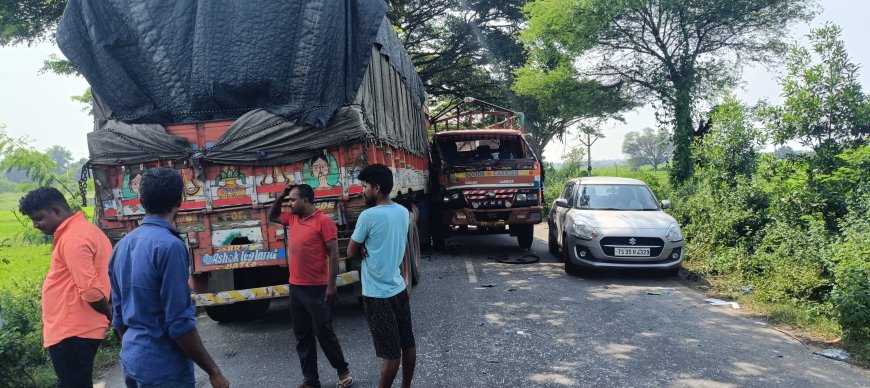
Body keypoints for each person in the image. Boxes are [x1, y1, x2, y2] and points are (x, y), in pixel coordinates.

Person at [109, 168, 229, 388]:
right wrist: (214, 372)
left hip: (132, 360)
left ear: (141, 199)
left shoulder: (122, 246)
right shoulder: (170, 246)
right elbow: (179, 323)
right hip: (163, 369)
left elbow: (118, 316)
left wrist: (135, 349)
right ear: (180, 200)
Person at [18, 187, 113, 388]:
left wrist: (111, 314)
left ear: (57, 211)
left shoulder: (73, 238)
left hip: (73, 332)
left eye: (39, 218)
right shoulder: (86, 231)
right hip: (76, 330)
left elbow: (91, 290)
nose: (35, 225)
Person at [267, 183, 354, 388]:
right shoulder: (293, 218)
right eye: (289, 201)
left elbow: (334, 254)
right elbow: (272, 216)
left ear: (306, 200)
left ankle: (343, 371)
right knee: (302, 335)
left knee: (324, 332)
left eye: (293, 200)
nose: (290, 204)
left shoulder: (323, 221)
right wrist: (281, 195)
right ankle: (311, 381)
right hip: (296, 288)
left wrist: (331, 286)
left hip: (317, 288)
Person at [346, 164, 416, 388]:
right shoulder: (403, 212)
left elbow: (350, 252)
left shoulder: (368, 216)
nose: (362, 191)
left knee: (390, 355)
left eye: (365, 186)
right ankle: (406, 385)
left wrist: (363, 246)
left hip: (377, 295)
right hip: (398, 288)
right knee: (407, 343)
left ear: (376, 188)